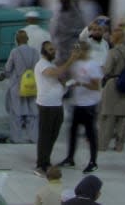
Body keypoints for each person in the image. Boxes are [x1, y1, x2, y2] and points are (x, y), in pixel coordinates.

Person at [34, 41, 76, 176]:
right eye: (50, 49)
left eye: (54, 49)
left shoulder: (51, 64)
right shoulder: (41, 65)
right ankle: (40, 165)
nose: (53, 51)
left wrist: (67, 84)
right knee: (45, 135)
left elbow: (59, 78)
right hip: (46, 105)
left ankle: (46, 160)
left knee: (53, 135)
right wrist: (72, 59)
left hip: (57, 104)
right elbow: (56, 72)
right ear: (44, 51)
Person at [61, 41, 101, 173]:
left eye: (79, 51)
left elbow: (96, 86)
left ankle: (93, 161)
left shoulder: (93, 65)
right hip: (77, 103)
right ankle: (70, 157)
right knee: (72, 132)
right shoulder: (75, 63)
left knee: (90, 134)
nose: (77, 53)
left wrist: (82, 84)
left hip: (89, 104)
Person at [96, 26, 125, 153]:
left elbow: (107, 70)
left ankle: (103, 145)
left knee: (108, 118)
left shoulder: (112, 52)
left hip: (112, 85)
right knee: (123, 118)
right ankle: (119, 146)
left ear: (114, 38)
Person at [2, 30, 39, 144]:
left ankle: (16, 138)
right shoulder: (35, 51)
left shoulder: (15, 51)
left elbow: (8, 69)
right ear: (27, 39)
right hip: (32, 85)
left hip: (17, 85)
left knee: (16, 112)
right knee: (32, 112)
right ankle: (33, 137)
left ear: (17, 41)